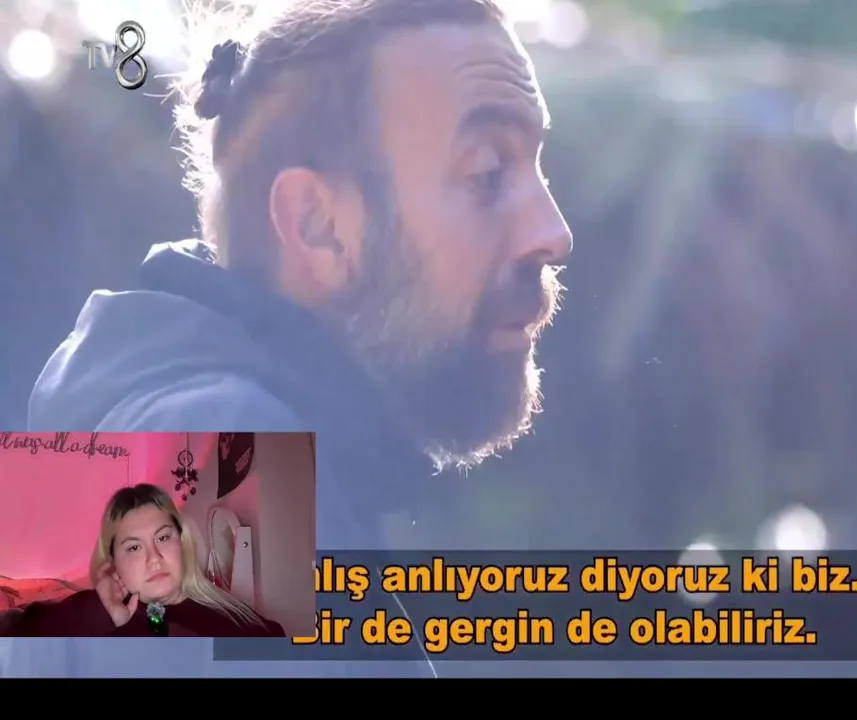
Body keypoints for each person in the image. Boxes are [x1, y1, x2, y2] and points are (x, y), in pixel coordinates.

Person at [18, 0, 570, 677]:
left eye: (539, 167)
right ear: (318, 226)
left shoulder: (169, 435)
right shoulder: (226, 461)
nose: (553, 232)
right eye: (487, 174)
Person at [5, 484, 284, 638]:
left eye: (163, 538)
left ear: (182, 542)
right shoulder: (93, 619)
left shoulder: (235, 618)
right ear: (114, 563)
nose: (154, 558)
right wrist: (98, 613)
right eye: (134, 547)